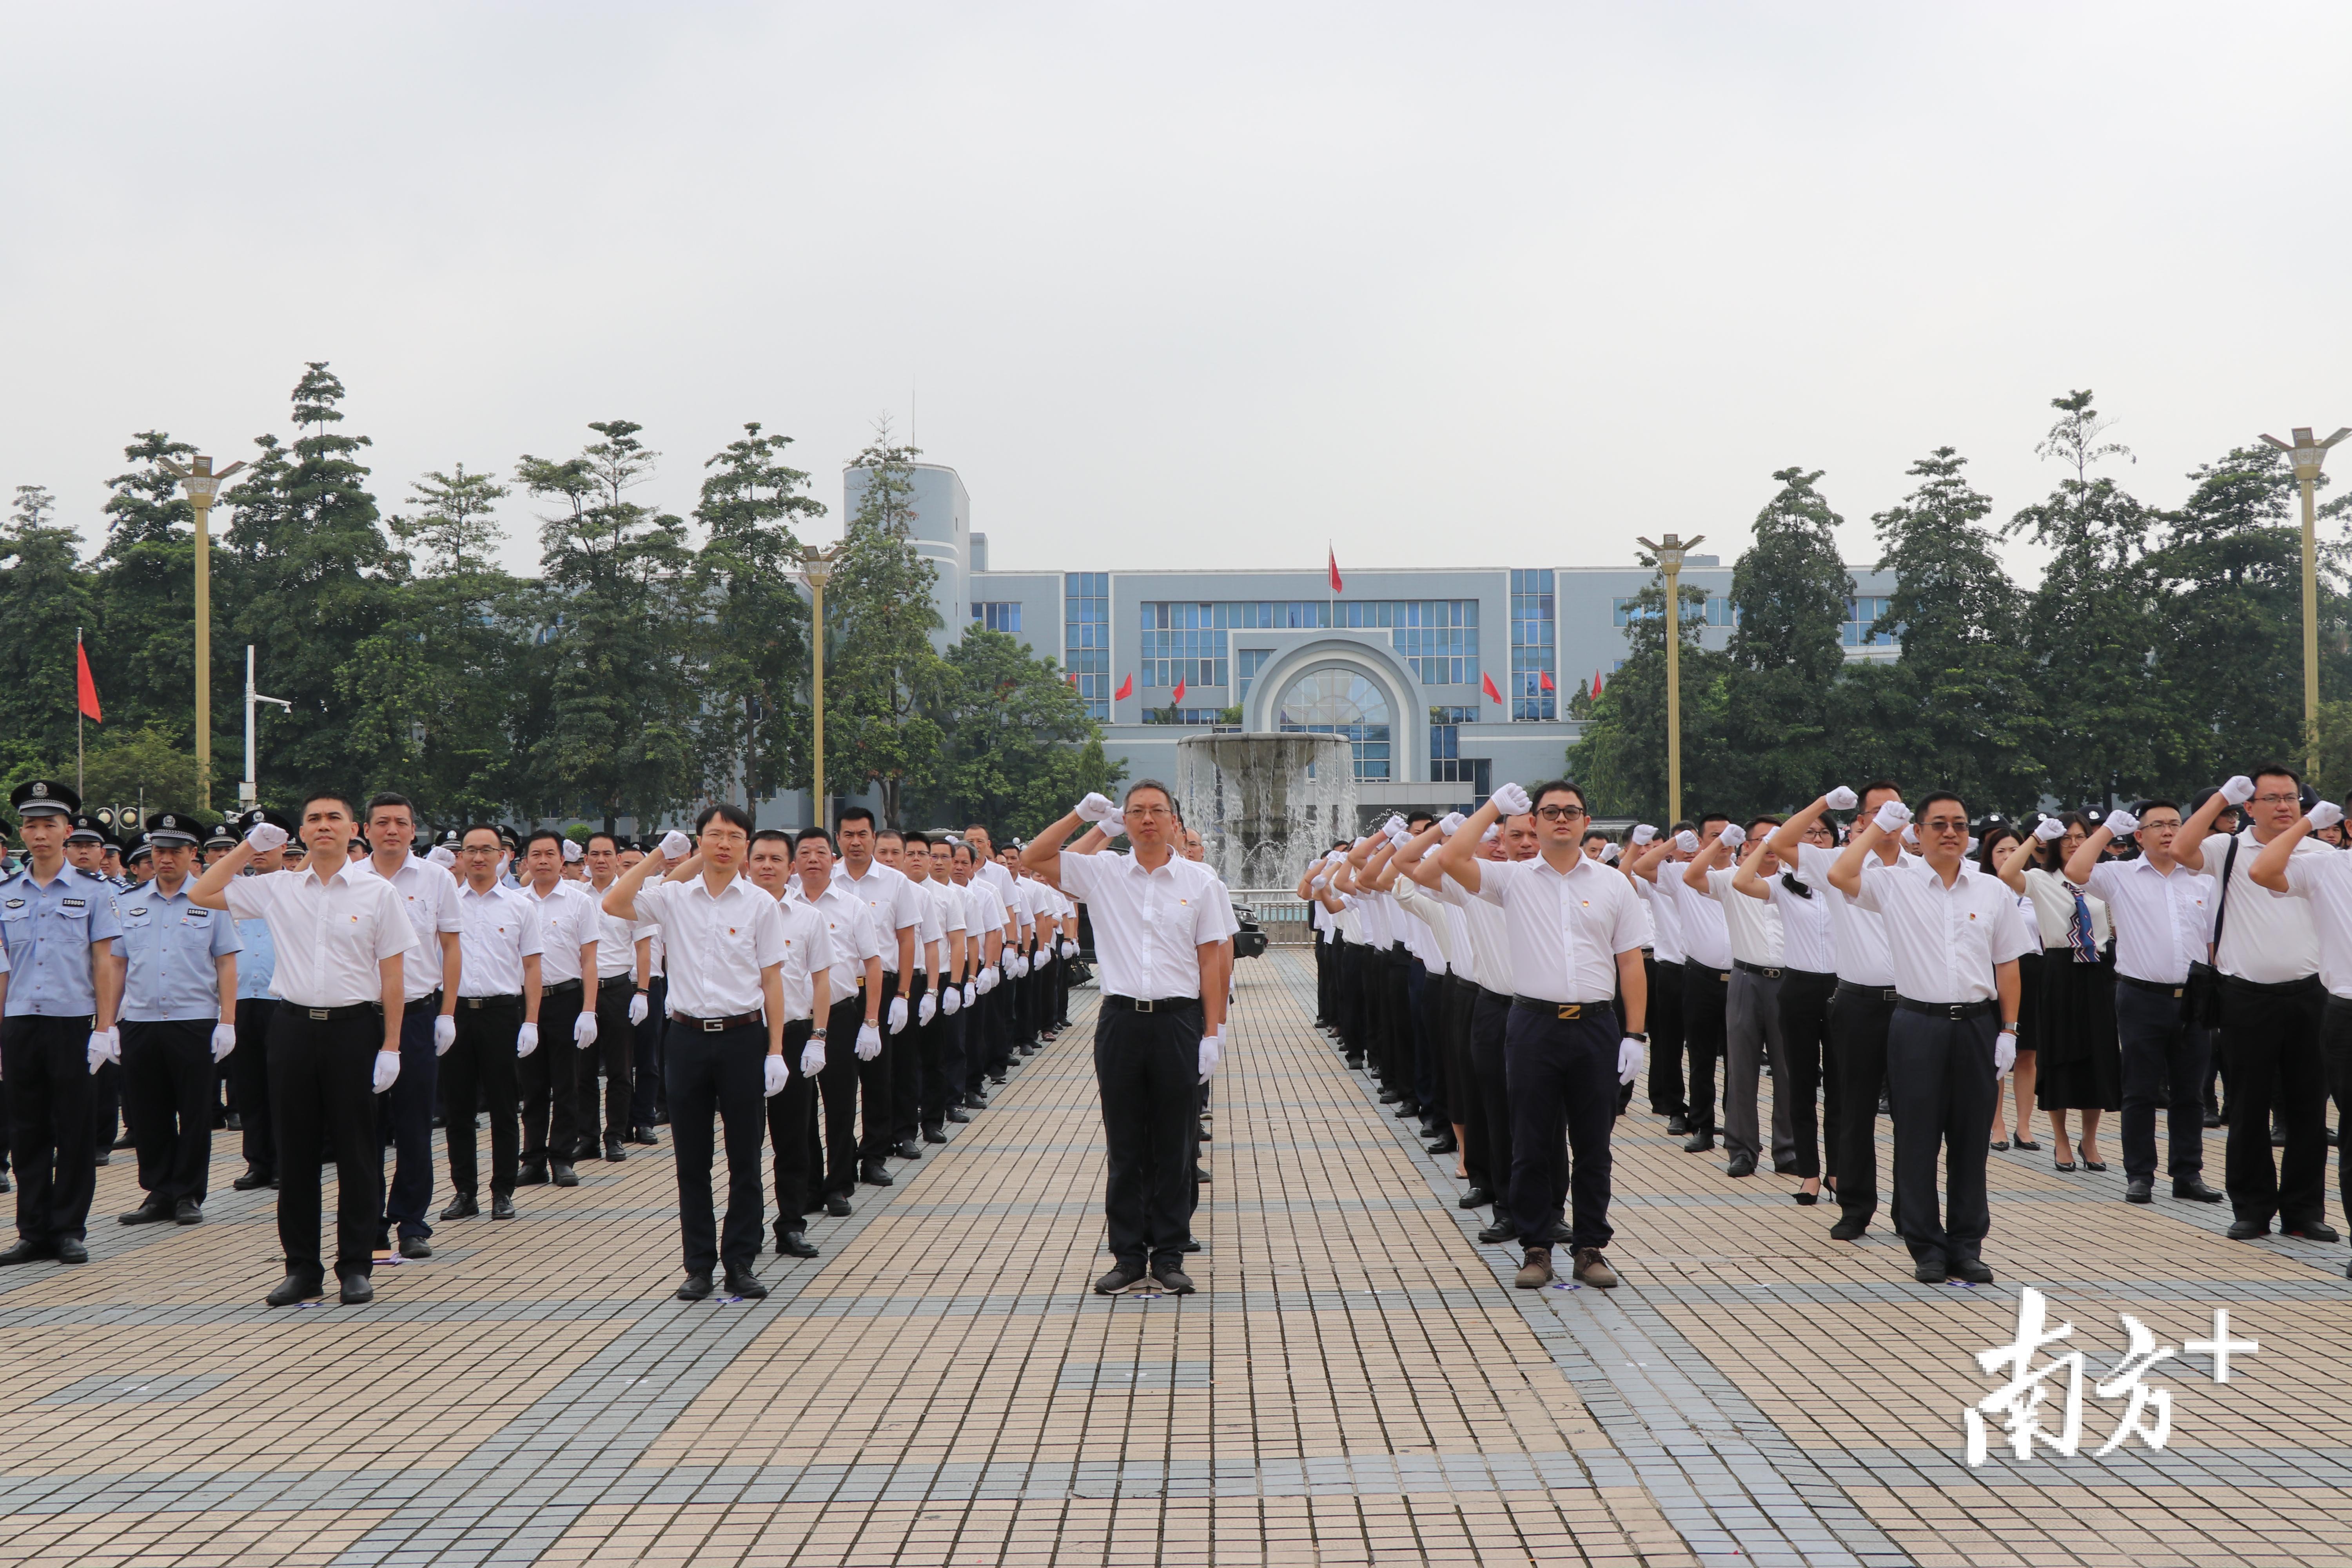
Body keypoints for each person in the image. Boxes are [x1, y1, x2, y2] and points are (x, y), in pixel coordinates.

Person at [192, 793, 414, 1307]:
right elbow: (203, 891)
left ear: (352, 828)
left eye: (333, 817)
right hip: (291, 1028)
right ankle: (302, 1270)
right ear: (303, 832)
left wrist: (392, 1046)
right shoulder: (278, 889)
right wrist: (250, 845)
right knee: (294, 1154)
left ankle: (355, 1266)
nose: (323, 826)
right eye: (313, 819)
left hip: (354, 1028)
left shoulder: (377, 893)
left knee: (359, 1153)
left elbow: (394, 977)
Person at [1434, 780, 1645, 1291]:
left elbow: (1631, 961)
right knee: (1530, 1142)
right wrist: (1490, 810)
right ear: (1534, 822)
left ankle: (1591, 1247)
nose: (1561, 820)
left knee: (1594, 1145)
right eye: (1549, 812)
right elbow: (1449, 860)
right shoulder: (1512, 880)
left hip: (1596, 1025)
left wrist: (1635, 1034)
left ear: (1586, 822)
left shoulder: (1615, 883)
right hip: (1532, 1024)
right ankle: (1535, 1248)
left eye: (1571, 811)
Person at [1024, 783, 1226, 1295]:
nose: (1147, 819)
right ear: (1126, 822)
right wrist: (1083, 818)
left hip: (1178, 1021)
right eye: (1136, 812)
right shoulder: (1105, 872)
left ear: (1173, 821)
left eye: (1157, 811)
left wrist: (1213, 1032)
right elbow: (1035, 857)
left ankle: (1170, 1252)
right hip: (1120, 1022)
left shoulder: (1201, 881)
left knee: (1176, 1142)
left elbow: (1212, 961)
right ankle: (1129, 1255)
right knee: (1126, 1143)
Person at [1828, 792, 2033, 1285]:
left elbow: (2008, 965)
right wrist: (1881, 827)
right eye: (1938, 824)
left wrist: (2009, 1029)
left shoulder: (1991, 891)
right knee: (1917, 1138)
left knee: (1970, 1140)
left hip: (1978, 1025)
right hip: (1917, 1023)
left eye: (1959, 824)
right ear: (1916, 832)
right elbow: (1840, 875)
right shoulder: (1893, 883)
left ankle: (1967, 1245)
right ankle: (1926, 1246)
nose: (1950, 832)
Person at [603, 809, 795, 1300]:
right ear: (700, 842)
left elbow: (772, 979)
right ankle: (699, 1265)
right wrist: (659, 857)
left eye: (735, 837)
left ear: (746, 845)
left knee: (745, 1155)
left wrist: (776, 1050)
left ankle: (741, 1261)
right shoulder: (672, 898)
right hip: (686, 1038)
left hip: (743, 1038)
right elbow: (614, 901)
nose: (725, 844)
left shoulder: (760, 904)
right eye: (715, 835)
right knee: (692, 1158)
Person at [2178, 770, 2340, 1241]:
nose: (2284, 806)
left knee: (2309, 1107)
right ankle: (2252, 1207)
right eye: (2271, 798)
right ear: (2250, 807)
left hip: (2312, 993)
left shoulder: (2320, 853)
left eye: (2292, 798)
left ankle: (2304, 1211)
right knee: (2246, 1106)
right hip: (2245, 994)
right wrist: (2220, 799)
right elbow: (2182, 849)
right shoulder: (2228, 847)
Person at [1767, 785, 1909, 1238]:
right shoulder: (1837, 862)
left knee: (1914, 1112)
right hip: (1857, 1002)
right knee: (1853, 1108)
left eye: (1896, 810)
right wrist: (1825, 803)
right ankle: (1855, 1204)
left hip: (1911, 1004)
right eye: (1877, 811)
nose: (1888, 818)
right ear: (1861, 820)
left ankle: (1911, 1209)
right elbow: (1781, 844)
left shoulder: (1922, 869)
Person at [2069, 802, 2223, 1205]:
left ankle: (2187, 1173)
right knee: (2139, 1091)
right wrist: (2105, 830)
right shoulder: (2121, 875)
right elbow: (2075, 871)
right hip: (2141, 996)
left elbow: (2212, 944)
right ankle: (2140, 1174)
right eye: (2158, 825)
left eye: (2176, 823)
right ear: (2139, 836)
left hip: (2193, 997)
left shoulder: (2201, 879)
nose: (2169, 831)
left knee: (2190, 1092)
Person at [0, 780, 123, 1266]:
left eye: (50, 825)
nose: (40, 834)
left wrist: (105, 1027)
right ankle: (33, 1230)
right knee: (26, 1129)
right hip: (21, 1023)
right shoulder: (7, 893)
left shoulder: (93, 893)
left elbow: (106, 962)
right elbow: (3, 968)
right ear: (23, 835)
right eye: (32, 825)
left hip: (73, 1021)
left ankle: (70, 1227)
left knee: (73, 1129)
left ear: (67, 832)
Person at [112, 817, 240, 1228]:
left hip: (194, 1020)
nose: (165, 859)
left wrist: (228, 1020)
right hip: (141, 1020)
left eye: (175, 852)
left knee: (195, 1111)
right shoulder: (129, 902)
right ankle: (158, 1190)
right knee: (148, 1112)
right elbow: (117, 964)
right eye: (159, 851)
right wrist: (109, 1023)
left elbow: (226, 963)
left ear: (192, 856)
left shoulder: (211, 900)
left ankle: (187, 1193)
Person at [357, 794, 462, 1259]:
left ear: (414, 830)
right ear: (365, 829)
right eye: (382, 823)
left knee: (415, 1122)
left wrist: (447, 1013)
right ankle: (369, 1219)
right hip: (361, 1017)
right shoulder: (348, 878)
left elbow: (452, 948)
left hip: (419, 1013)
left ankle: (412, 1221)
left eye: (401, 822)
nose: (392, 830)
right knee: (364, 1127)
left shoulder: (437, 879)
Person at [1997, 815, 2118, 1174]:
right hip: (2059, 969)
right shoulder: (2040, 879)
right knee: (2059, 1056)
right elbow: (2006, 873)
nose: (2074, 843)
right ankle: (2062, 1141)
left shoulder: (2102, 880)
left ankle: (2090, 1140)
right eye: (2066, 837)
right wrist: (2035, 837)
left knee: (2097, 1057)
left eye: (2082, 837)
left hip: (2097, 970)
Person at [439, 823, 544, 1223]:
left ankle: (503, 1190)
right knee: (458, 1108)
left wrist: (531, 1021)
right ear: (461, 856)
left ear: (503, 855)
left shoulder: (520, 905)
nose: (479, 857)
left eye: (487, 849)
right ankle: (464, 1191)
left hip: (502, 1012)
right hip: (457, 1012)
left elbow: (533, 966)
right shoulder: (447, 903)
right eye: (471, 850)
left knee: (503, 1105)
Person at [735, 829, 833, 1257]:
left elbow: (822, 980)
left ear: (790, 867)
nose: (768, 866)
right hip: (744, 1036)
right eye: (760, 859)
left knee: (792, 1138)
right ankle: (748, 1229)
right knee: (745, 1139)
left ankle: (790, 1224)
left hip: (794, 1035)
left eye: (777, 859)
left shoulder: (808, 917)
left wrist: (819, 1037)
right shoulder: (731, 911)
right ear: (747, 863)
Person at [1683, 818, 1793, 1180]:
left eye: (1776, 838)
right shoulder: (1731, 880)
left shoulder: (1799, 881)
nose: (1770, 845)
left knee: (1788, 1070)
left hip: (1790, 983)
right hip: (1746, 978)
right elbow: (1692, 876)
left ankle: (1788, 1149)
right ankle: (1743, 1149)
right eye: (1760, 840)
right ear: (1746, 846)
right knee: (1742, 1068)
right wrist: (1721, 843)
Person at [1737, 811, 1835, 1203]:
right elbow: (1743, 880)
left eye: (1823, 833)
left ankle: (1839, 1172)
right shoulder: (1783, 884)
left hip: (1843, 988)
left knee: (1842, 1088)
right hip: (1800, 988)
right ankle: (1809, 1172)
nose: (1815, 839)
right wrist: (1770, 841)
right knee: (1801, 1085)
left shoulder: (1848, 880)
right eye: (1807, 834)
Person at [791, 827, 886, 1211]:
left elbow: (873, 963)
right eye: (805, 853)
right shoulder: (781, 906)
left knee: (841, 1102)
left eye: (820, 852)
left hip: (843, 1015)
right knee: (800, 1106)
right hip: (796, 1018)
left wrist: (872, 1021)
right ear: (795, 861)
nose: (813, 859)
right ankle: (810, 1185)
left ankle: (839, 1184)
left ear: (834, 859)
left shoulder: (851, 906)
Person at [835, 808, 919, 1181]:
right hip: (835, 991)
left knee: (878, 1076)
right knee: (838, 1078)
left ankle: (874, 1155)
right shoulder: (825, 878)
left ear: (874, 838)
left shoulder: (895, 882)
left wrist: (903, 994)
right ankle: (840, 1158)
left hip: (880, 989)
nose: (856, 842)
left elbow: (905, 940)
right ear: (838, 838)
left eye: (862, 834)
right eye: (848, 834)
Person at [516, 829, 599, 1189]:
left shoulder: (579, 902)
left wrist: (589, 1010)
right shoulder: (515, 902)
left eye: (550, 854)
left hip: (567, 1000)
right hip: (525, 1005)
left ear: (562, 861)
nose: (544, 861)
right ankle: (533, 1159)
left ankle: (562, 1158)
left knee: (568, 1084)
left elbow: (590, 961)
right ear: (526, 862)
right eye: (536, 855)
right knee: (531, 1086)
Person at [227, 808, 294, 1193]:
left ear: (284, 844)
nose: (260, 850)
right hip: (242, 999)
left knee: (283, 1088)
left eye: (267, 841)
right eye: (252, 841)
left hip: (279, 999)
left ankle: (286, 1159)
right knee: (248, 1085)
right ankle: (258, 1161)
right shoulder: (237, 888)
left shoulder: (295, 886)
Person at [581, 831, 652, 1162]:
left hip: (619, 989)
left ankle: (615, 1136)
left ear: (617, 859)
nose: (600, 860)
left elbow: (643, 947)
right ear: (585, 860)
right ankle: (588, 1137)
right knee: (582, 1070)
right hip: (582, 994)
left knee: (621, 1070)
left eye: (607, 854)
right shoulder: (575, 896)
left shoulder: (629, 896)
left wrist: (642, 991)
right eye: (594, 854)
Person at [873, 829, 943, 1157]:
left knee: (905, 1061)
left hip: (906, 983)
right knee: (875, 1067)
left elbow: (931, 943)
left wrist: (931, 990)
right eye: (883, 853)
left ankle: (904, 1132)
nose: (889, 859)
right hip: (866, 984)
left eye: (895, 853)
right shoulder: (856, 890)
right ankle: (876, 1137)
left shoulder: (920, 895)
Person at [1973, 824, 2040, 1152]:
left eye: (2015, 850)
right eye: (2001, 851)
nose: (2009, 856)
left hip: (2033, 971)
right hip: (1993, 971)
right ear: (1989, 856)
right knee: (1997, 1053)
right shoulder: (1981, 888)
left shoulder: (2034, 887)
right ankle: (1996, 1123)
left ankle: (2024, 1126)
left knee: (2028, 1054)